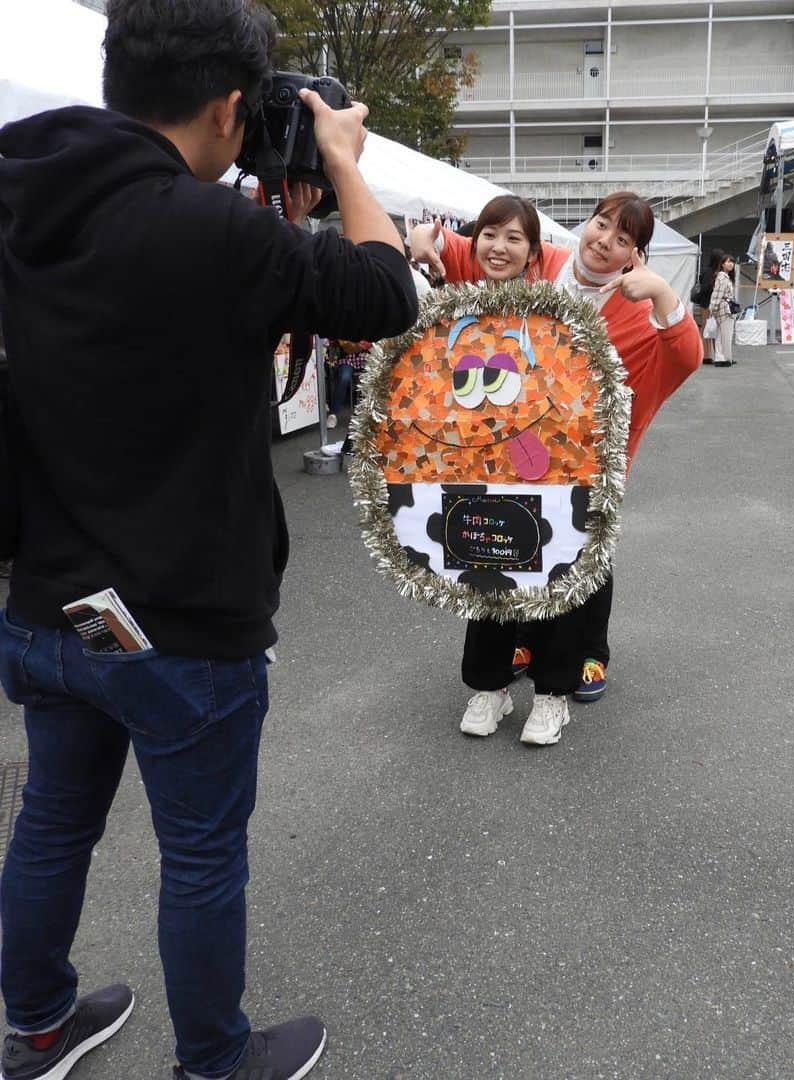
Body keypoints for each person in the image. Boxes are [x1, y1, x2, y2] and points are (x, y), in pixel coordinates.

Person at [0, 2, 418, 1078]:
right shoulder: (213, 231)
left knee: (53, 825)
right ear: (233, 107)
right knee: (198, 857)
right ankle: (214, 1064)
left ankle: (39, 1028)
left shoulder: (24, 190)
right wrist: (337, 155)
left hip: (57, 606)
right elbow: (383, 290)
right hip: (179, 622)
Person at [410, 192, 702, 743]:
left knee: (575, 575)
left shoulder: (637, 308)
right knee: (496, 562)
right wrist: (426, 240)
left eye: (622, 240)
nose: (603, 243)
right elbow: (481, 247)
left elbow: (685, 356)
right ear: (583, 224)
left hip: (581, 467)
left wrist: (663, 294)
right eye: (600, 226)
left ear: (635, 256)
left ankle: (561, 684)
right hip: (508, 456)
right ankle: (491, 682)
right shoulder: (543, 262)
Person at [708, 252, 737, 367]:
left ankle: (721, 358)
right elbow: (717, 294)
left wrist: (713, 308)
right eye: (728, 262)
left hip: (723, 308)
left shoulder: (724, 276)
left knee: (720, 334)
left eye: (732, 262)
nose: (730, 264)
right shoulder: (722, 277)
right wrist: (713, 308)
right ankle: (725, 358)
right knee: (726, 334)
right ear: (722, 264)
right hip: (725, 309)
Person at [693, 251, 720, 362]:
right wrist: (714, 286)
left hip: (707, 304)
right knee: (707, 328)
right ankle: (705, 355)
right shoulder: (709, 272)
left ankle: (710, 355)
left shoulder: (709, 271)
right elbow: (705, 288)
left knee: (709, 328)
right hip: (707, 304)